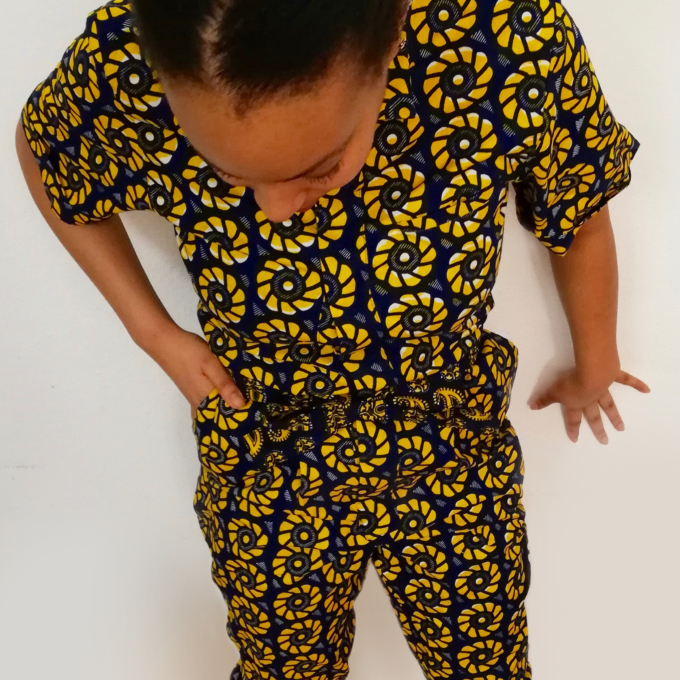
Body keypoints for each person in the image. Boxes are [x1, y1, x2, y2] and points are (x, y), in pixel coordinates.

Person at [16, 0, 649, 678]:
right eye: (229, 175)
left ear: (393, 37)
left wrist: (597, 362)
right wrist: (153, 332)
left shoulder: (505, 37)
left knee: (484, 664)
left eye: (318, 168)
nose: (275, 212)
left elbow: (581, 201)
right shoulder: (140, 48)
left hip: (447, 439)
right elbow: (46, 151)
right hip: (264, 446)